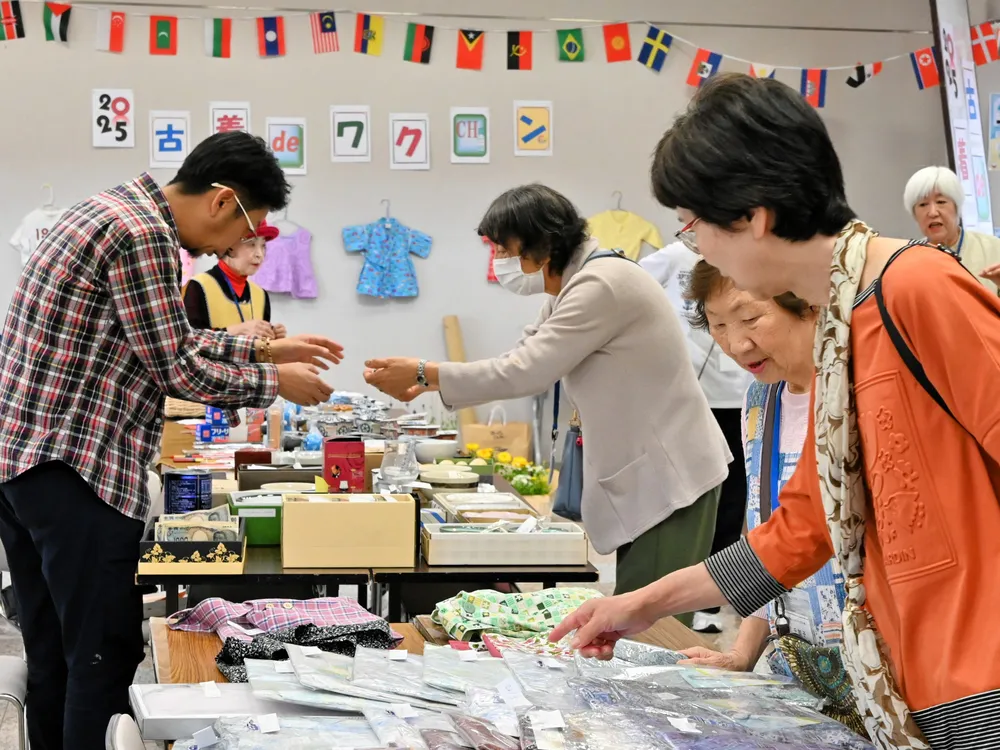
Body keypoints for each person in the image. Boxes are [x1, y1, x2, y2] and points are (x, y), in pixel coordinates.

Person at [551, 73, 1000, 750]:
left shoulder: (918, 288)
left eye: (694, 223)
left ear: (753, 215)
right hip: (917, 691)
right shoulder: (840, 336)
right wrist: (635, 606)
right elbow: (797, 534)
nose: (694, 244)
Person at [0, 131, 343, 750]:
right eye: (247, 230)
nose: (239, 246)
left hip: (29, 465)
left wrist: (262, 345)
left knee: (56, 650)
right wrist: (275, 380)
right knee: (101, 657)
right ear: (221, 202)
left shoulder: (111, 208)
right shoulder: (143, 235)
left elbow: (157, 342)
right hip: (76, 468)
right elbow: (179, 370)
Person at [363, 184, 731, 617]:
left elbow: (527, 371)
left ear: (545, 243)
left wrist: (427, 373)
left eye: (506, 249)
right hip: (649, 474)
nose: (500, 262)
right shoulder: (574, 285)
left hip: (672, 478)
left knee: (649, 627)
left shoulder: (603, 283)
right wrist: (428, 377)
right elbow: (520, 357)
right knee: (636, 616)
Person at [675, 260, 842, 673]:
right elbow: (764, 534)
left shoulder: (858, 395)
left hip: (882, 677)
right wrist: (742, 654)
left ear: (809, 304)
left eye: (750, 318)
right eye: (717, 326)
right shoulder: (759, 402)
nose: (736, 345)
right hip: (798, 667)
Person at [639, 243, 752, 634]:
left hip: (740, 395)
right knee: (694, 499)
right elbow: (634, 295)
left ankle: (712, 600)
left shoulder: (747, 256)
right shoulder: (670, 258)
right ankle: (683, 592)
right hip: (690, 400)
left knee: (733, 500)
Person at [183, 218, 287, 339]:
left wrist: (272, 338)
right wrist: (237, 330)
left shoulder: (261, 295)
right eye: (251, 244)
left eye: (263, 246)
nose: (259, 254)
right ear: (228, 245)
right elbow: (187, 340)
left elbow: (261, 349)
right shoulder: (199, 286)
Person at [903, 165, 1000, 295]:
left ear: (957, 207)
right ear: (914, 214)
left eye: (941, 202)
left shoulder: (993, 248)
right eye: (923, 204)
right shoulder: (907, 260)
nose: (932, 213)